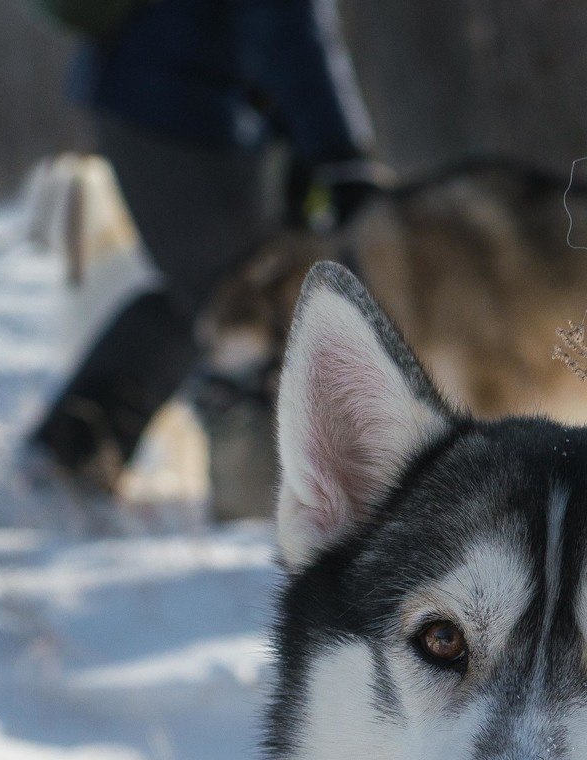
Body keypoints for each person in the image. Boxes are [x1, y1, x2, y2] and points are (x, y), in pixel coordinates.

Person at [28, 0, 384, 495]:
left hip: (158, 94)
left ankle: (67, 458)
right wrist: (339, 153)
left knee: (200, 300)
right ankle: (254, 503)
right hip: (177, 105)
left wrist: (306, 143)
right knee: (243, 309)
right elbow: (289, 26)